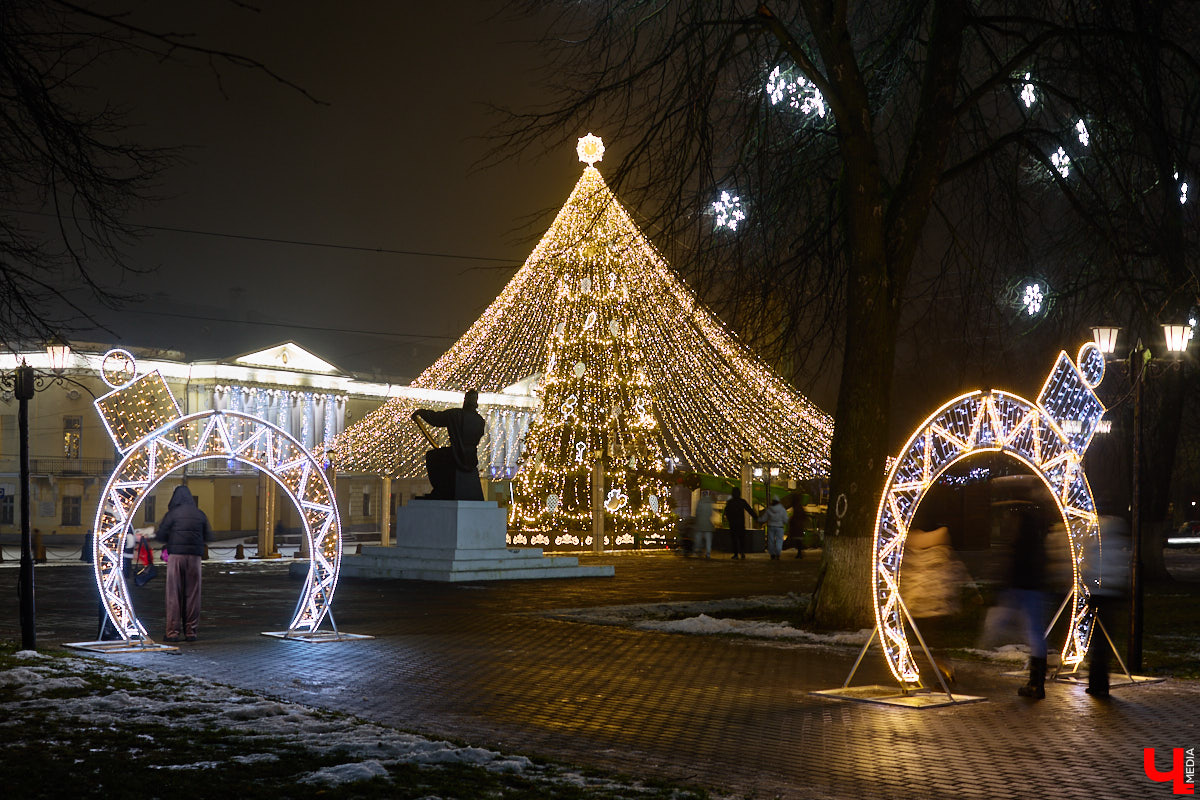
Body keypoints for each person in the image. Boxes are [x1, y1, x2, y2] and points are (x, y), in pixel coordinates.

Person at [1003, 499, 1049, 699]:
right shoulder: (1035, 542)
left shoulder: (1022, 545)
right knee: (1036, 636)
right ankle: (1036, 683)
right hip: (1034, 590)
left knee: (1034, 635)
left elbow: (1017, 569)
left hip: (1025, 590)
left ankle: (1036, 684)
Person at [155, 485, 213, 643]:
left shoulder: (172, 514)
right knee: (193, 595)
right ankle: (191, 632)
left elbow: (160, 535)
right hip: (195, 558)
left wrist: (170, 539)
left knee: (174, 594)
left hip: (176, 557)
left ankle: (172, 632)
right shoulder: (200, 514)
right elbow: (209, 535)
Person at [1084, 514, 1130, 698]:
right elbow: (1120, 567)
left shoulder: (1096, 545)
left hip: (1099, 593)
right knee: (1104, 641)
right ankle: (1101, 683)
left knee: (1097, 641)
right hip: (1112, 593)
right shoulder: (1118, 542)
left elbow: (1090, 567)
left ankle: (1096, 683)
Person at [412, 389, 485, 501]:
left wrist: (421, 412)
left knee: (432, 456)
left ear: (465, 401)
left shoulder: (456, 414)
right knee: (441, 455)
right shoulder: (480, 420)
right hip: (471, 458)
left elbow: (436, 419)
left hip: (456, 455)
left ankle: (440, 490)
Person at [723, 487, 754, 559]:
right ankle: (742, 552)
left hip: (733, 524)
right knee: (741, 539)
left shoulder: (730, 502)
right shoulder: (742, 501)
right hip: (741, 524)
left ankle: (736, 554)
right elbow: (750, 510)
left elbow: (726, 512)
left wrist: (729, 520)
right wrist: (757, 518)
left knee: (734, 540)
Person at [693, 491, 715, 558]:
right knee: (708, 539)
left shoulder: (700, 502)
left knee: (698, 536)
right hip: (708, 523)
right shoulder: (710, 503)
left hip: (700, 523)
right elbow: (711, 513)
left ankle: (697, 549)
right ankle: (708, 552)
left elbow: (697, 512)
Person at [788, 491, 809, 558]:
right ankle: (800, 553)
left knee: (798, 541)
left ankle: (800, 553)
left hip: (797, 527)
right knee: (798, 540)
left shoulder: (797, 508)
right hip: (799, 526)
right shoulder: (800, 507)